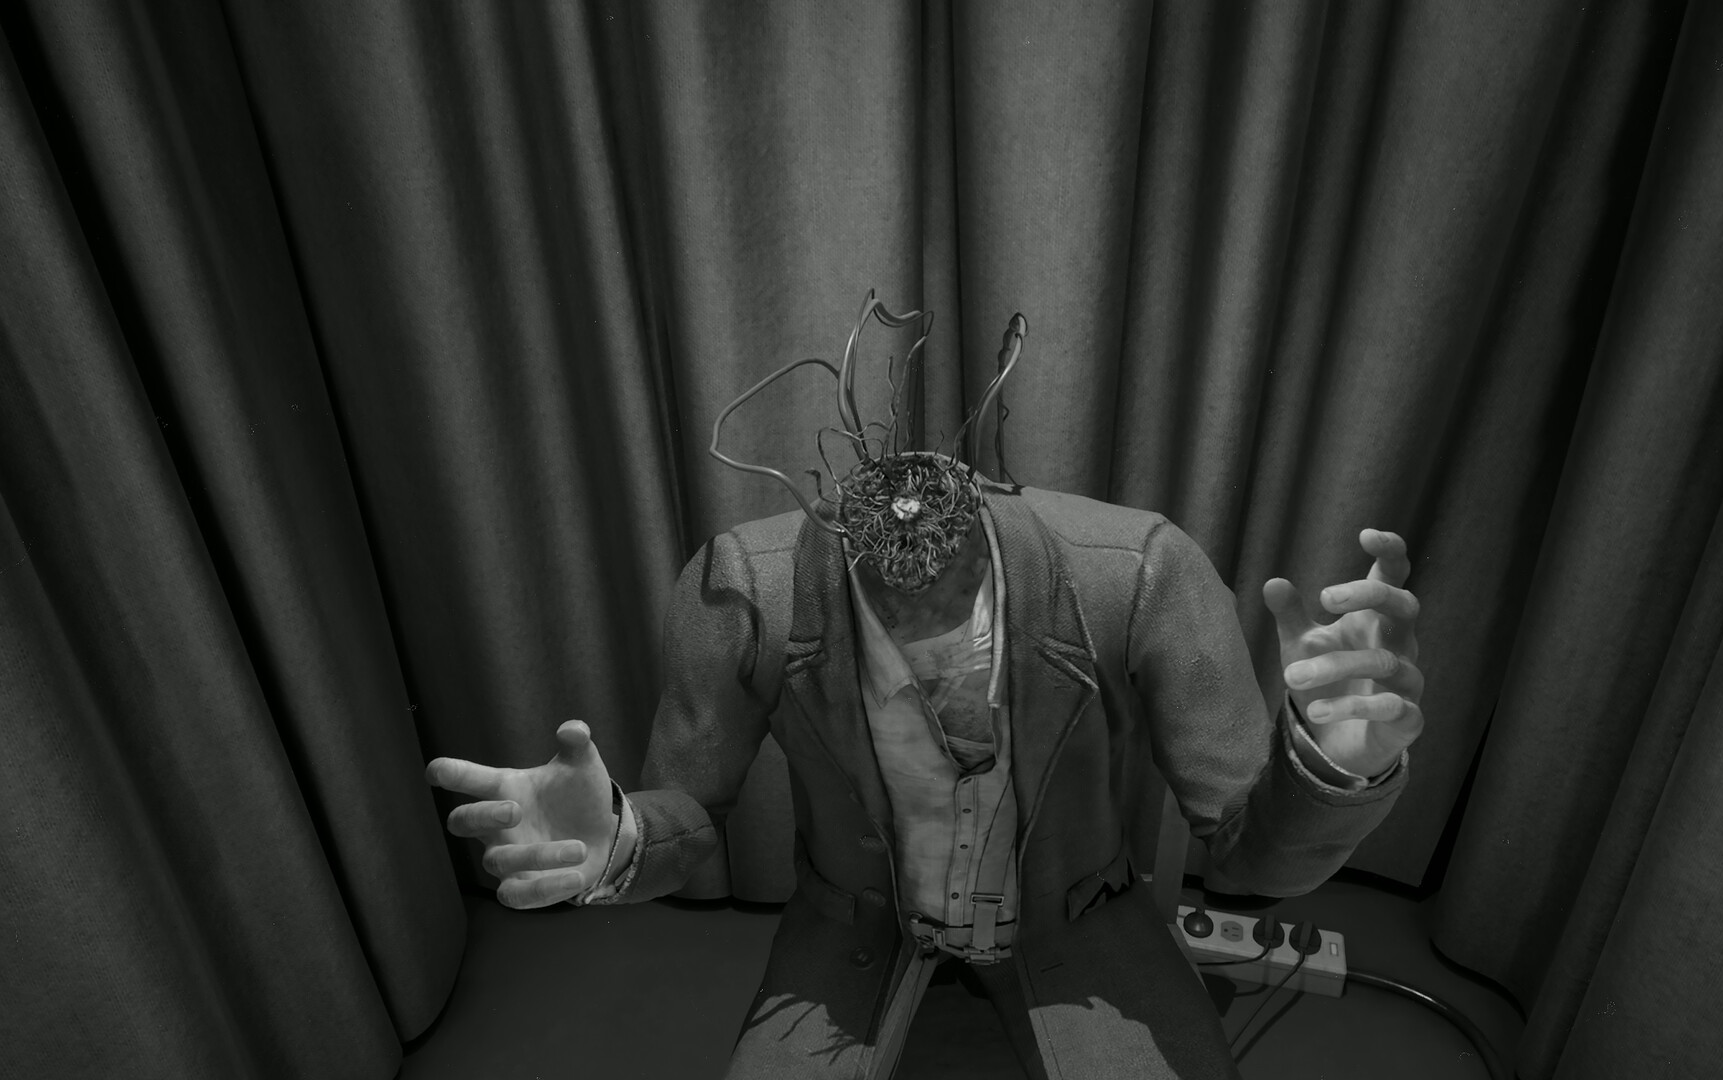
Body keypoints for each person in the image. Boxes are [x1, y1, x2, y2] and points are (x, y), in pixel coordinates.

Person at [426, 298, 1424, 1079]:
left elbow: (1249, 854)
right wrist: (617, 838)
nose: (935, 666)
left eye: (960, 633)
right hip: (850, 936)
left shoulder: (1141, 573)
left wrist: (1331, 769)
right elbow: (687, 815)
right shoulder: (740, 593)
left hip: (1082, 930)